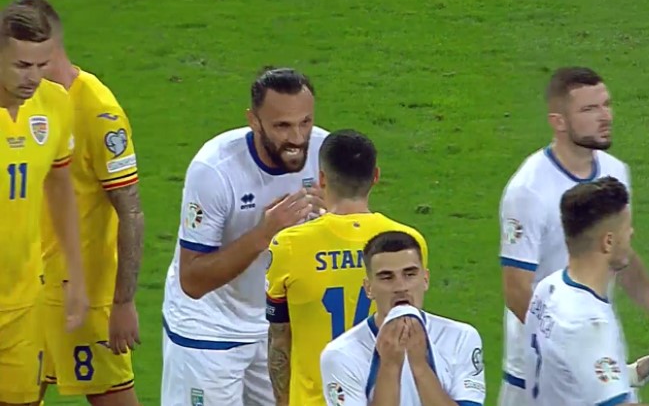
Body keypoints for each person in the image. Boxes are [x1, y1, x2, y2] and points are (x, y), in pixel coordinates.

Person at [161, 67, 329, 405]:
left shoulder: (325, 152)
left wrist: (335, 215)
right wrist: (264, 233)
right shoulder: (214, 170)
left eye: (305, 122)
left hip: (277, 326)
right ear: (254, 121)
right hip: (209, 330)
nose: (297, 138)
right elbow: (192, 280)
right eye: (282, 126)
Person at [497, 66, 649, 405]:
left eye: (606, 104)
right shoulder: (529, 190)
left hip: (592, 346)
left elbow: (621, 255)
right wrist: (567, 349)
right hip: (540, 366)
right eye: (589, 109)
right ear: (558, 121)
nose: (605, 116)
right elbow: (516, 290)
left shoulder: (615, 172)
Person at [13, 0, 144, 406]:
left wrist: (123, 302)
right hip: (27, 293)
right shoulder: (23, 104)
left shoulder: (99, 112)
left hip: (85, 297)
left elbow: (131, 210)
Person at [265, 129, 430, 406]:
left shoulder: (289, 245)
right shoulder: (408, 243)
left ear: (322, 179)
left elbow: (279, 338)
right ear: (375, 176)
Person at [0, 1, 88, 405]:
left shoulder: (54, 104)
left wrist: (76, 275)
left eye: (42, 64)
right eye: (22, 66)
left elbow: (60, 185)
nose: (33, 77)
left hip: (22, 302)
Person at [524, 176, 649, 406]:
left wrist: (634, 373)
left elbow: (566, 371)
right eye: (626, 228)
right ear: (608, 242)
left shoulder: (549, 288)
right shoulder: (588, 324)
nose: (632, 233)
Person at [320, 231, 485, 406]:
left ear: (425, 279)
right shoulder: (341, 355)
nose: (400, 287)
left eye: (409, 274)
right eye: (387, 277)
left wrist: (420, 367)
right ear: (369, 288)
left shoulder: (460, 338)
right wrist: (389, 367)